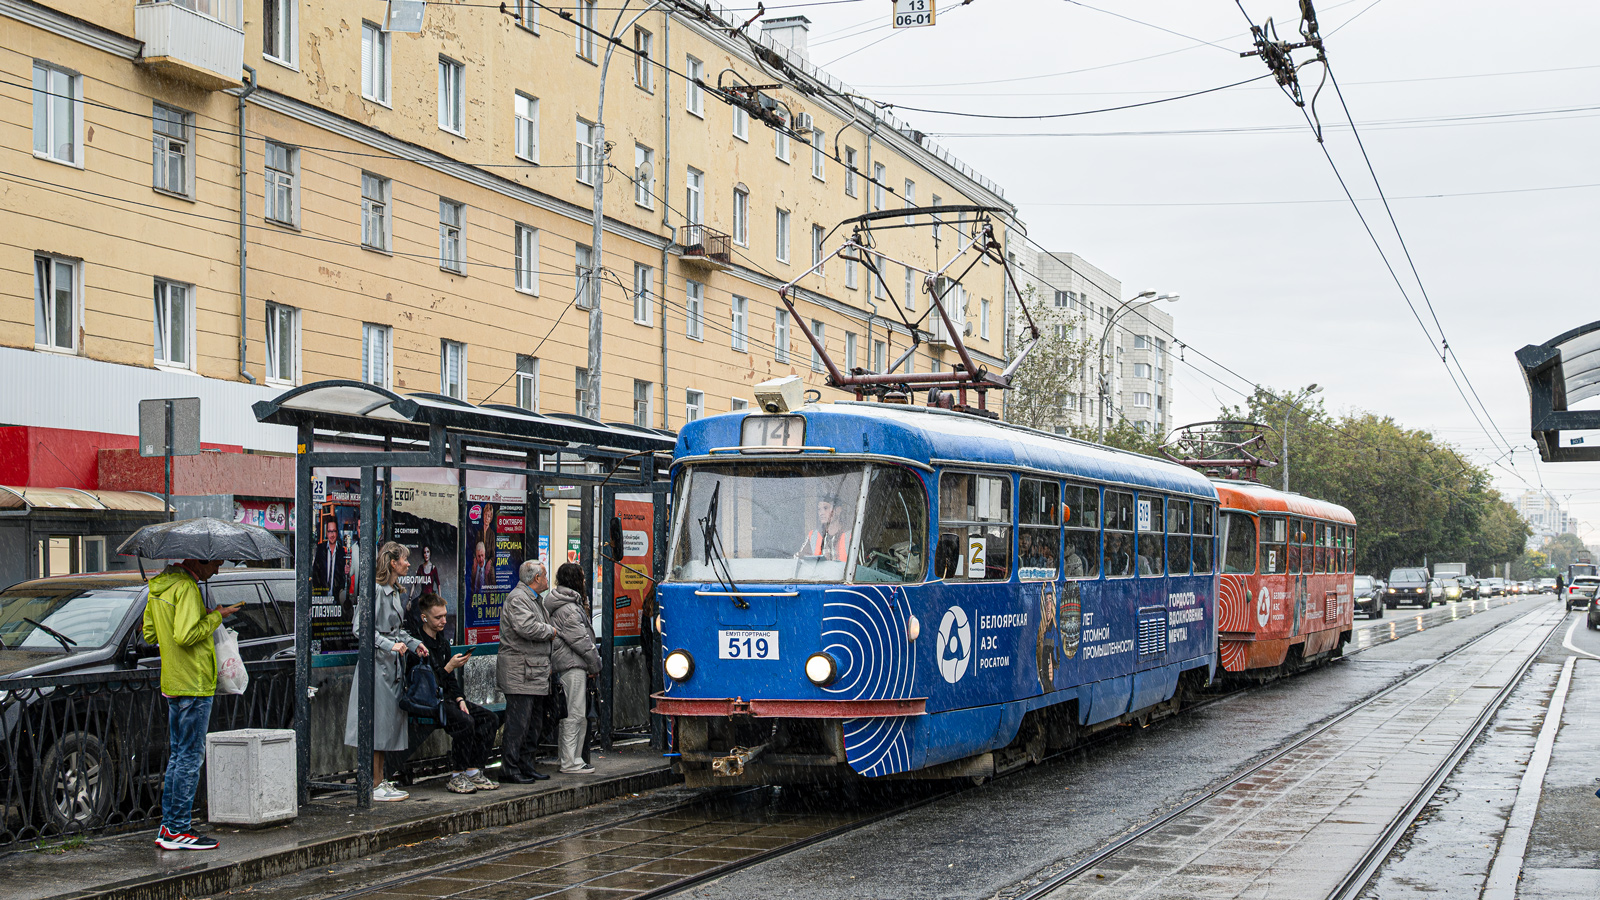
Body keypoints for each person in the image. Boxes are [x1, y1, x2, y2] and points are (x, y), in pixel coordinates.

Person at [142, 558, 244, 851]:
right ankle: (179, 829)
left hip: (172, 681)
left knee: (178, 756)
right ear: (199, 560)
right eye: (216, 564)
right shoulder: (186, 587)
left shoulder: (159, 587)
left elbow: (151, 634)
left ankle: (169, 825)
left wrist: (202, 614)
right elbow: (185, 634)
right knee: (189, 758)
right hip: (194, 681)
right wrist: (214, 618)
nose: (217, 570)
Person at [343, 541, 427, 803]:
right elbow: (361, 629)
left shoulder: (392, 590)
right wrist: (391, 645)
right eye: (404, 559)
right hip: (377, 668)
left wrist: (414, 644)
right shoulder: (378, 591)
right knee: (378, 725)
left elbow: (396, 630)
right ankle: (374, 782)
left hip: (389, 667)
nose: (408, 563)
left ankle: (379, 779)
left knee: (385, 725)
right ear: (392, 562)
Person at [404, 593, 499, 794]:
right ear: (424, 618)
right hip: (427, 701)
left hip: (446, 698)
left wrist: (460, 698)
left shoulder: (443, 642)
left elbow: (451, 681)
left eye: (445, 616)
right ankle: (457, 774)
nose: (443, 621)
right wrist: (448, 667)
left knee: (488, 718)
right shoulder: (417, 645)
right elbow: (426, 683)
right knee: (465, 722)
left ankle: (473, 770)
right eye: (438, 617)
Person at [497, 559, 554, 783]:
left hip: (533, 671)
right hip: (520, 672)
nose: (548, 579)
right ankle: (510, 768)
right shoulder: (519, 598)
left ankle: (526, 764)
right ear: (536, 578)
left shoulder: (533, 599)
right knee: (518, 724)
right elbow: (526, 627)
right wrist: (550, 630)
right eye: (545, 575)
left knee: (534, 723)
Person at [546, 563, 602, 775]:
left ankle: (569, 758)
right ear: (575, 580)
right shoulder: (569, 608)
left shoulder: (565, 603)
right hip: (572, 664)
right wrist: (596, 664)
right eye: (582, 577)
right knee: (576, 714)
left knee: (573, 713)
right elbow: (582, 641)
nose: (585, 581)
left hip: (569, 663)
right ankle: (571, 761)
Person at [800, 492, 852, 561]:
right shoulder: (813, 536)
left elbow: (859, 566)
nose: (821, 513)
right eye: (819, 509)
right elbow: (802, 560)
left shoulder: (851, 535)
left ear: (838, 510)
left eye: (825, 508)